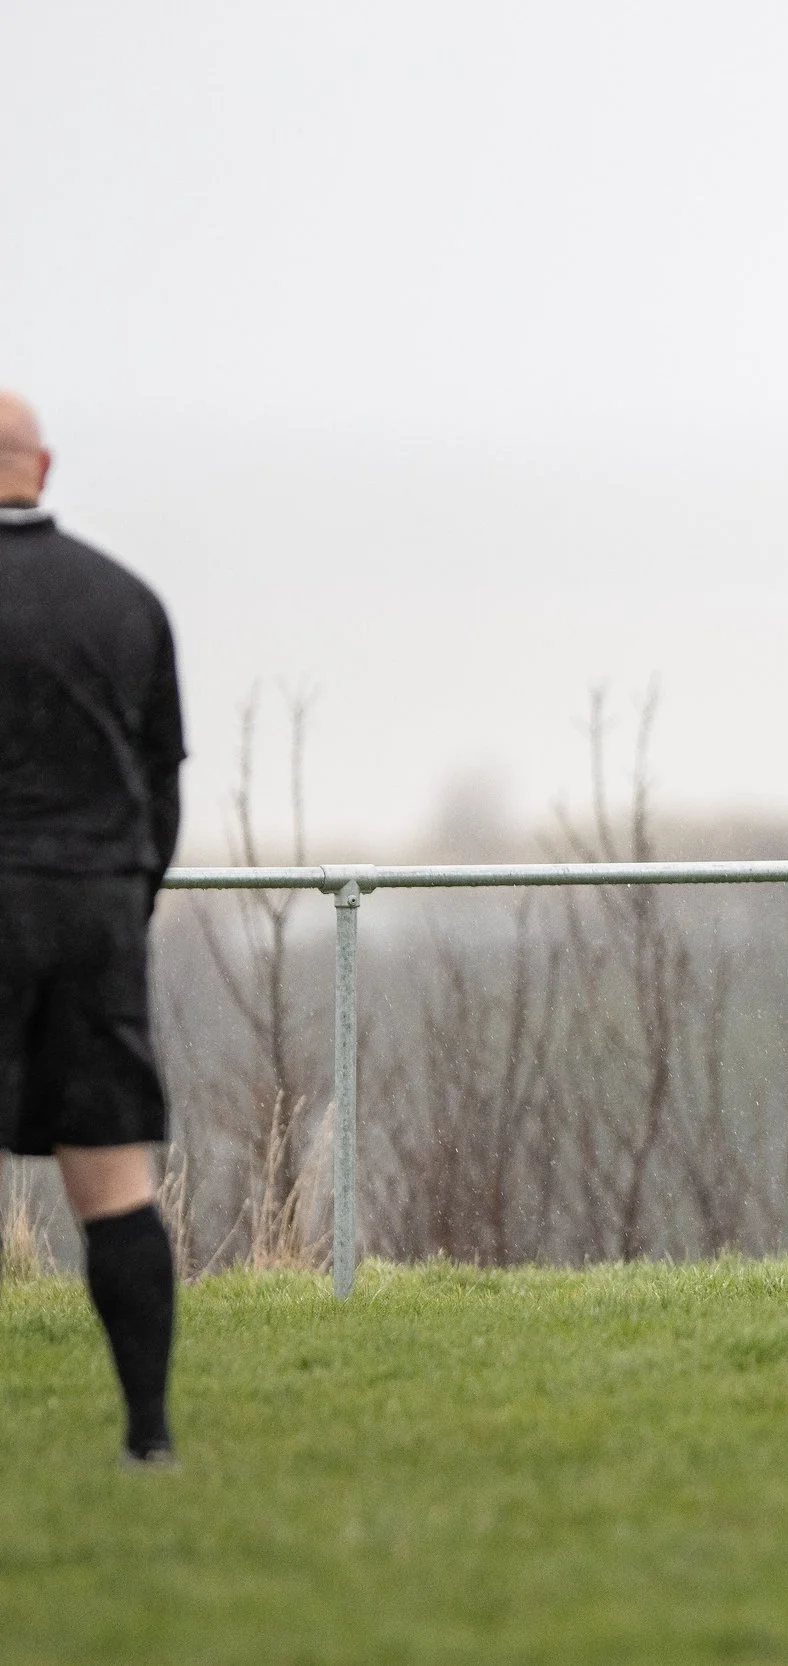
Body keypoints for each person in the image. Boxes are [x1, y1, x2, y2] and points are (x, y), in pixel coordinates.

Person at [0, 391, 186, 1465]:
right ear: (46, 464)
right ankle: (149, 1437)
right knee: (114, 1178)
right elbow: (159, 790)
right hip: (93, 913)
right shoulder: (127, 603)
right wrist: (124, 902)